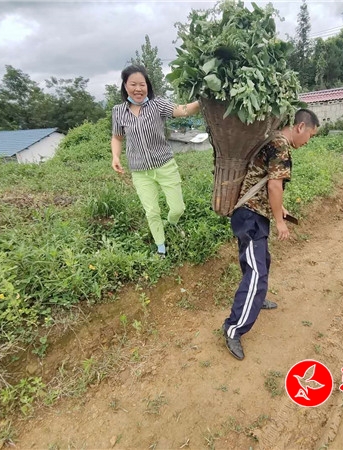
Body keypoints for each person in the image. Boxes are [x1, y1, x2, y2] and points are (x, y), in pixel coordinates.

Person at [222, 109, 320, 360]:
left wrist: (279, 209)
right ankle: (233, 328)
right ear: (300, 127)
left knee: (260, 262)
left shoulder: (272, 138)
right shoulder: (280, 146)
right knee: (257, 274)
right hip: (251, 217)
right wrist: (279, 222)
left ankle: (257, 298)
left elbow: (263, 180)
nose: (308, 141)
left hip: (250, 213)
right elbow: (274, 185)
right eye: (310, 135)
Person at [111, 65, 200, 257]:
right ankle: (161, 246)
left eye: (142, 84)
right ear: (125, 86)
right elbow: (117, 137)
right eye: (133, 84)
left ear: (147, 86)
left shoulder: (157, 105)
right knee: (151, 211)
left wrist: (204, 100)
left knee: (177, 208)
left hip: (165, 165)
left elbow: (182, 110)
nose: (138, 89)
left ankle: (172, 223)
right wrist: (116, 156)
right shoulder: (118, 111)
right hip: (140, 171)